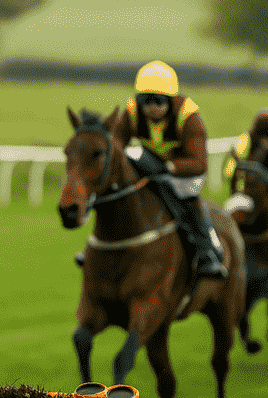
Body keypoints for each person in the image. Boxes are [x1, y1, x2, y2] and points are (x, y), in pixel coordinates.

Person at [76, 60, 228, 280]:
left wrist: (168, 167)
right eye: (146, 101)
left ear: (171, 100)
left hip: (185, 172)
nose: (152, 107)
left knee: (185, 198)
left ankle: (206, 253)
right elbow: (117, 145)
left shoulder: (189, 116)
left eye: (158, 101)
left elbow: (199, 162)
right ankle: (95, 247)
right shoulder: (132, 112)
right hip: (150, 162)